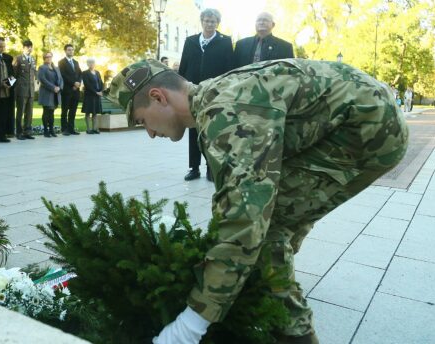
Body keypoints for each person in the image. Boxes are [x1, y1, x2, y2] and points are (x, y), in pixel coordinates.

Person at [105, 59, 409, 344]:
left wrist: (192, 323)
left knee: (265, 232)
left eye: (142, 120)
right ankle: (264, 288)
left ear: (158, 97)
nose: (148, 133)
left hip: (368, 130)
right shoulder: (216, 99)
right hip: (358, 118)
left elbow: (243, 219)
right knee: (268, 226)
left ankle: (294, 334)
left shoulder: (225, 115)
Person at [179, 8, 234, 181]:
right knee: (194, 130)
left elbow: (230, 69)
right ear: (201, 21)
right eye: (207, 20)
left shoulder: (225, 42)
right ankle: (193, 167)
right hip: (193, 92)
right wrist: (181, 88)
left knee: (212, 130)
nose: (210, 24)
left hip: (214, 93)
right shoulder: (191, 41)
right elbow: (183, 66)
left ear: (218, 23)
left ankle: (212, 167)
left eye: (213, 21)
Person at [13, 39, 37, 140]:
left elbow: (33, 74)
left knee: (29, 112)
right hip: (21, 89)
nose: (29, 49)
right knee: (20, 111)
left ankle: (27, 131)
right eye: (27, 47)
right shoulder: (18, 58)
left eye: (31, 47)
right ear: (23, 48)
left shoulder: (33, 59)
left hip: (31, 90)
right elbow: (14, 74)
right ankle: (19, 132)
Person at [58, 44, 82, 136]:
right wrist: (73, 83)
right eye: (69, 50)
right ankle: (64, 129)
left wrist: (78, 83)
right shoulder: (61, 62)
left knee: (73, 110)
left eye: (72, 50)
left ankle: (71, 128)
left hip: (76, 91)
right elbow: (63, 75)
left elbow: (80, 74)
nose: (71, 51)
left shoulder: (76, 62)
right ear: (65, 51)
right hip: (67, 90)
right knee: (65, 110)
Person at [37, 52, 63, 137]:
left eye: (50, 57)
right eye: (47, 57)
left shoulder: (56, 68)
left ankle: (51, 130)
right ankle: (45, 131)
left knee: (52, 112)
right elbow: (43, 80)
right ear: (44, 58)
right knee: (46, 112)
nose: (49, 58)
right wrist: (53, 87)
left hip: (55, 94)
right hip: (46, 93)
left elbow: (61, 79)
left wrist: (59, 87)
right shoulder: (42, 68)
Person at [81, 58, 103, 134]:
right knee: (88, 112)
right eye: (89, 63)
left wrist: (101, 91)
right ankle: (88, 129)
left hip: (97, 96)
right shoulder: (85, 73)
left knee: (95, 112)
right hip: (89, 95)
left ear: (95, 64)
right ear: (87, 64)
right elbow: (87, 84)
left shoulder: (97, 72)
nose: (91, 64)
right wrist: (96, 92)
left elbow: (100, 82)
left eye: (93, 62)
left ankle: (94, 128)